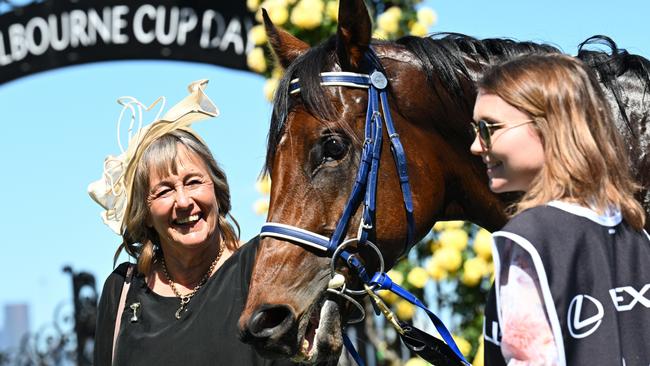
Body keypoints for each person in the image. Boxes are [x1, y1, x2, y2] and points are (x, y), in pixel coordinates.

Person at [89, 80, 294, 366]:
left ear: (216, 190)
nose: (184, 201)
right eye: (164, 190)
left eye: (193, 182)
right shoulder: (121, 291)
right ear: (144, 213)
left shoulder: (259, 270)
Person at [469, 54, 650, 365]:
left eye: (489, 128)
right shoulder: (637, 234)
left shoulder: (528, 239)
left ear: (549, 126)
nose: (476, 145)